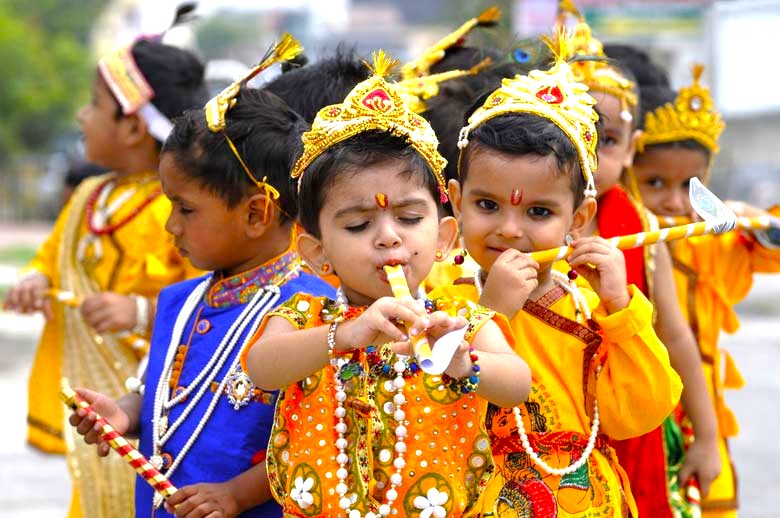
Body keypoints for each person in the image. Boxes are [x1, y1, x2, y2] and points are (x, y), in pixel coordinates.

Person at [243, 51, 531, 517]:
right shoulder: (305, 318)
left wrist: (465, 361)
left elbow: (518, 383)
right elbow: (262, 368)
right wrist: (345, 336)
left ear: (443, 237)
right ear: (318, 254)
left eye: (410, 217)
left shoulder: (460, 319)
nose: (389, 236)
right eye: (358, 225)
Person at [66, 35, 335, 518]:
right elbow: (161, 391)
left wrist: (238, 494)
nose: (171, 225)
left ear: (256, 214)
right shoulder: (180, 301)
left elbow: (318, 442)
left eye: (185, 209)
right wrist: (125, 413)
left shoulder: (317, 309)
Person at [444, 38, 683, 516]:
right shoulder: (438, 301)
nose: (510, 230)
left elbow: (637, 413)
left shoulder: (587, 306)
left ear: (578, 218)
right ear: (455, 200)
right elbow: (435, 409)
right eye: (487, 205)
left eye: (538, 211)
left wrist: (621, 310)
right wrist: (490, 316)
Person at [3, 36, 208, 517]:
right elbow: (51, 257)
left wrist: (139, 312)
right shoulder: (87, 195)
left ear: (134, 127)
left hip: (148, 406)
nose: (81, 116)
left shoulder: (178, 209)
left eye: (94, 104)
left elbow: (208, 298)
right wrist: (34, 279)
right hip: (97, 409)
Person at [558, 7, 722, 517]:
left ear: (631, 150)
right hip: (548, 425)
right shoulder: (518, 228)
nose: (588, 153)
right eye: (573, 133)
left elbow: (676, 338)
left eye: (604, 140)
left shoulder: (645, 234)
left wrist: (708, 437)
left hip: (633, 424)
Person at [629, 65, 780, 518]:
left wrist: (751, 218)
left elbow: (770, 250)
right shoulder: (623, 243)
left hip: (704, 412)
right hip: (646, 411)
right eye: (655, 183)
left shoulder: (706, 241)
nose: (675, 202)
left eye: (690, 187)